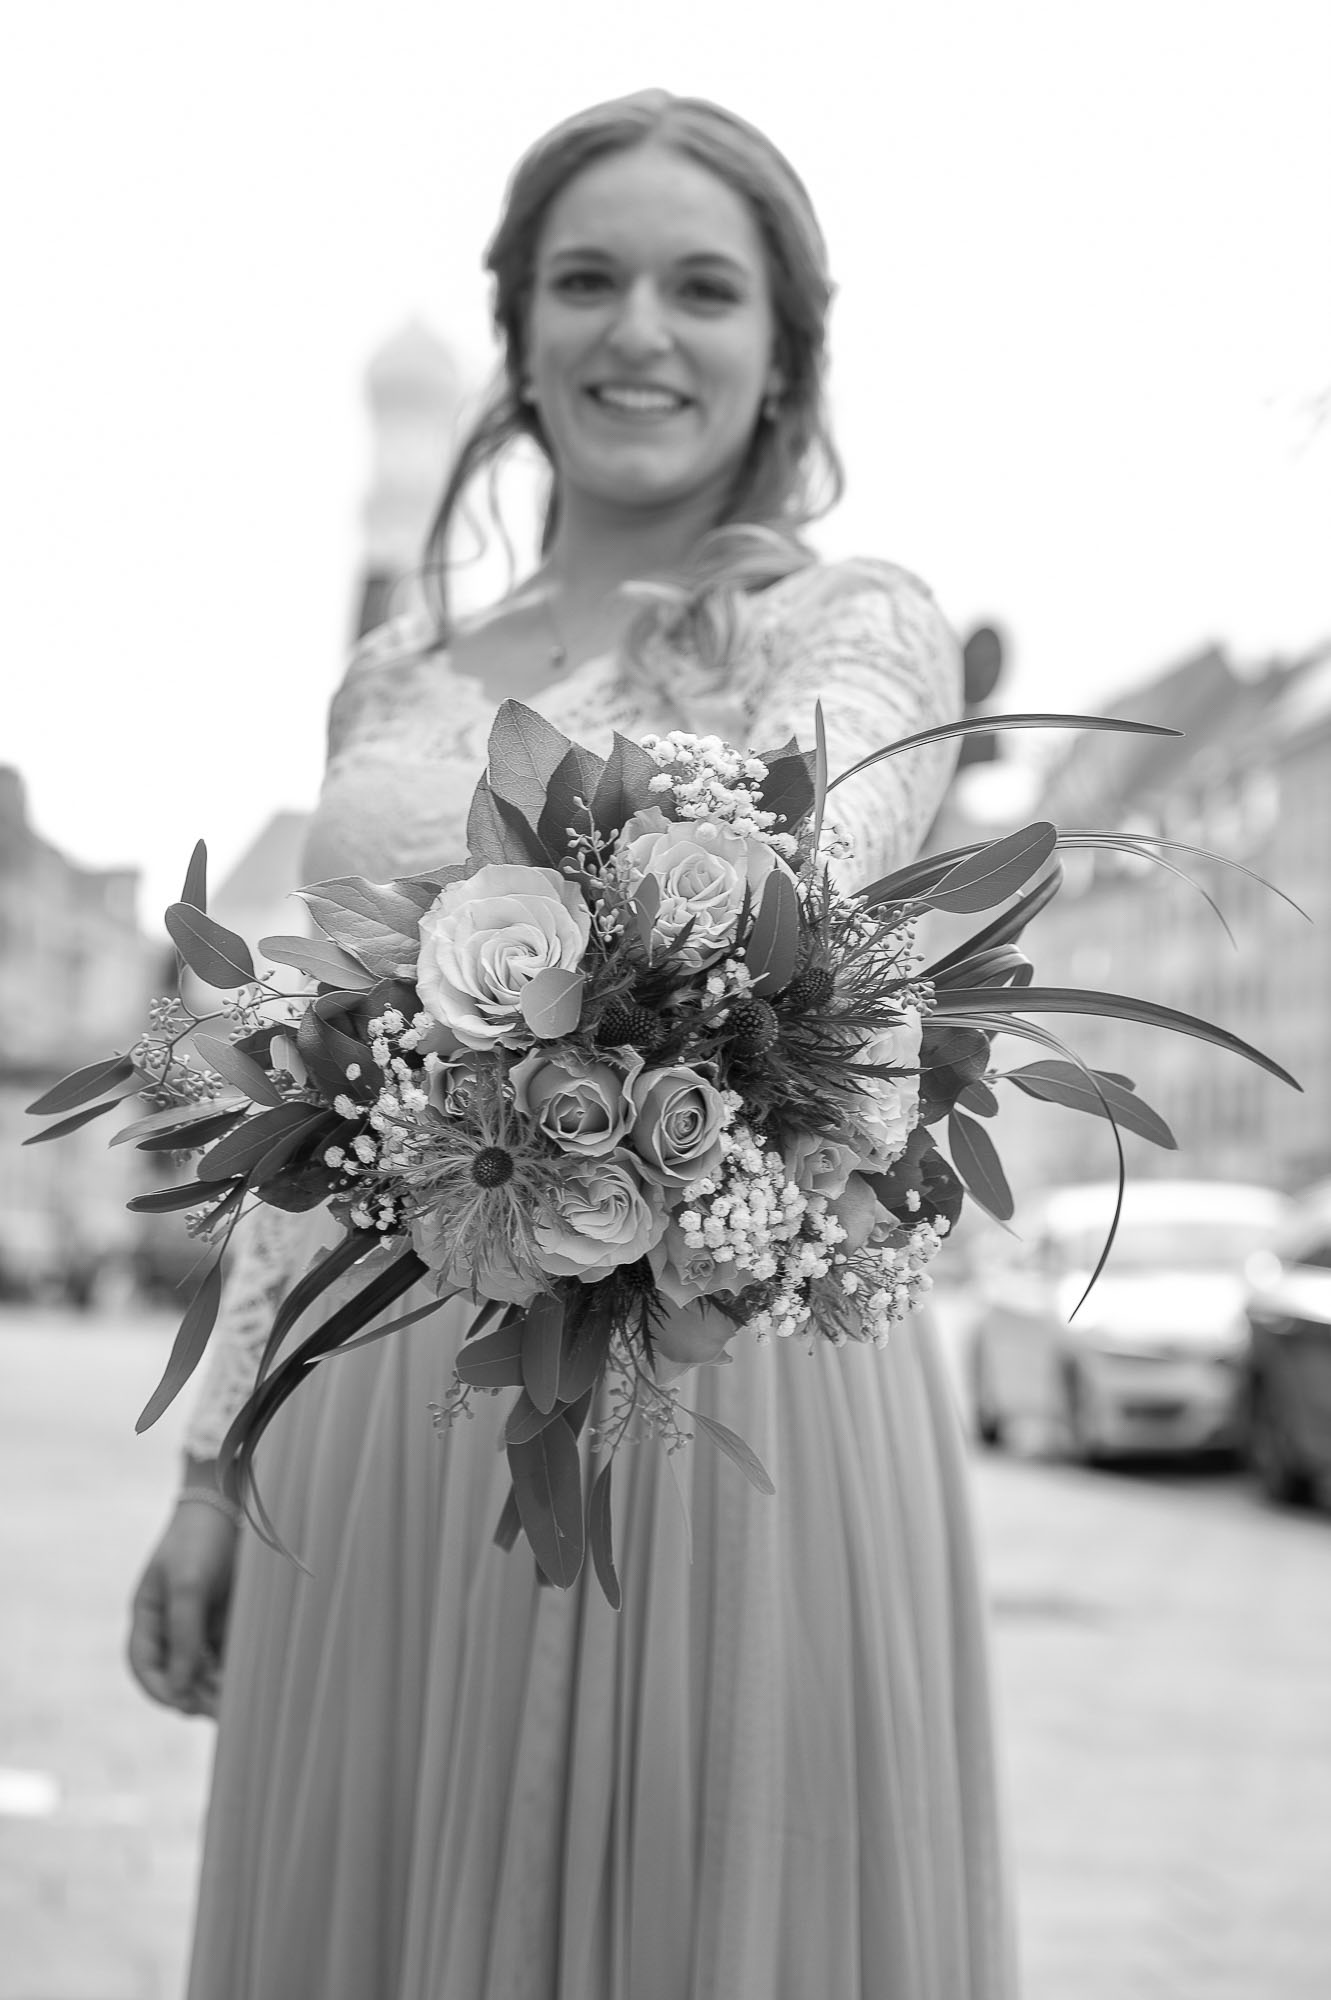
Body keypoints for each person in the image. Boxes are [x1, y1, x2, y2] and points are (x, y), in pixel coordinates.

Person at [128, 89, 1019, 2000]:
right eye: (587, 280)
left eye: (703, 288)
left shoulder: (843, 622)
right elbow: (311, 1096)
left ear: (786, 344)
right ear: (515, 327)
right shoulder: (393, 672)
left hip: (705, 1384)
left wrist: (715, 920)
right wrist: (217, 1469)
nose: (640, 331)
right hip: (381, 1390)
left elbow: (832, 852)